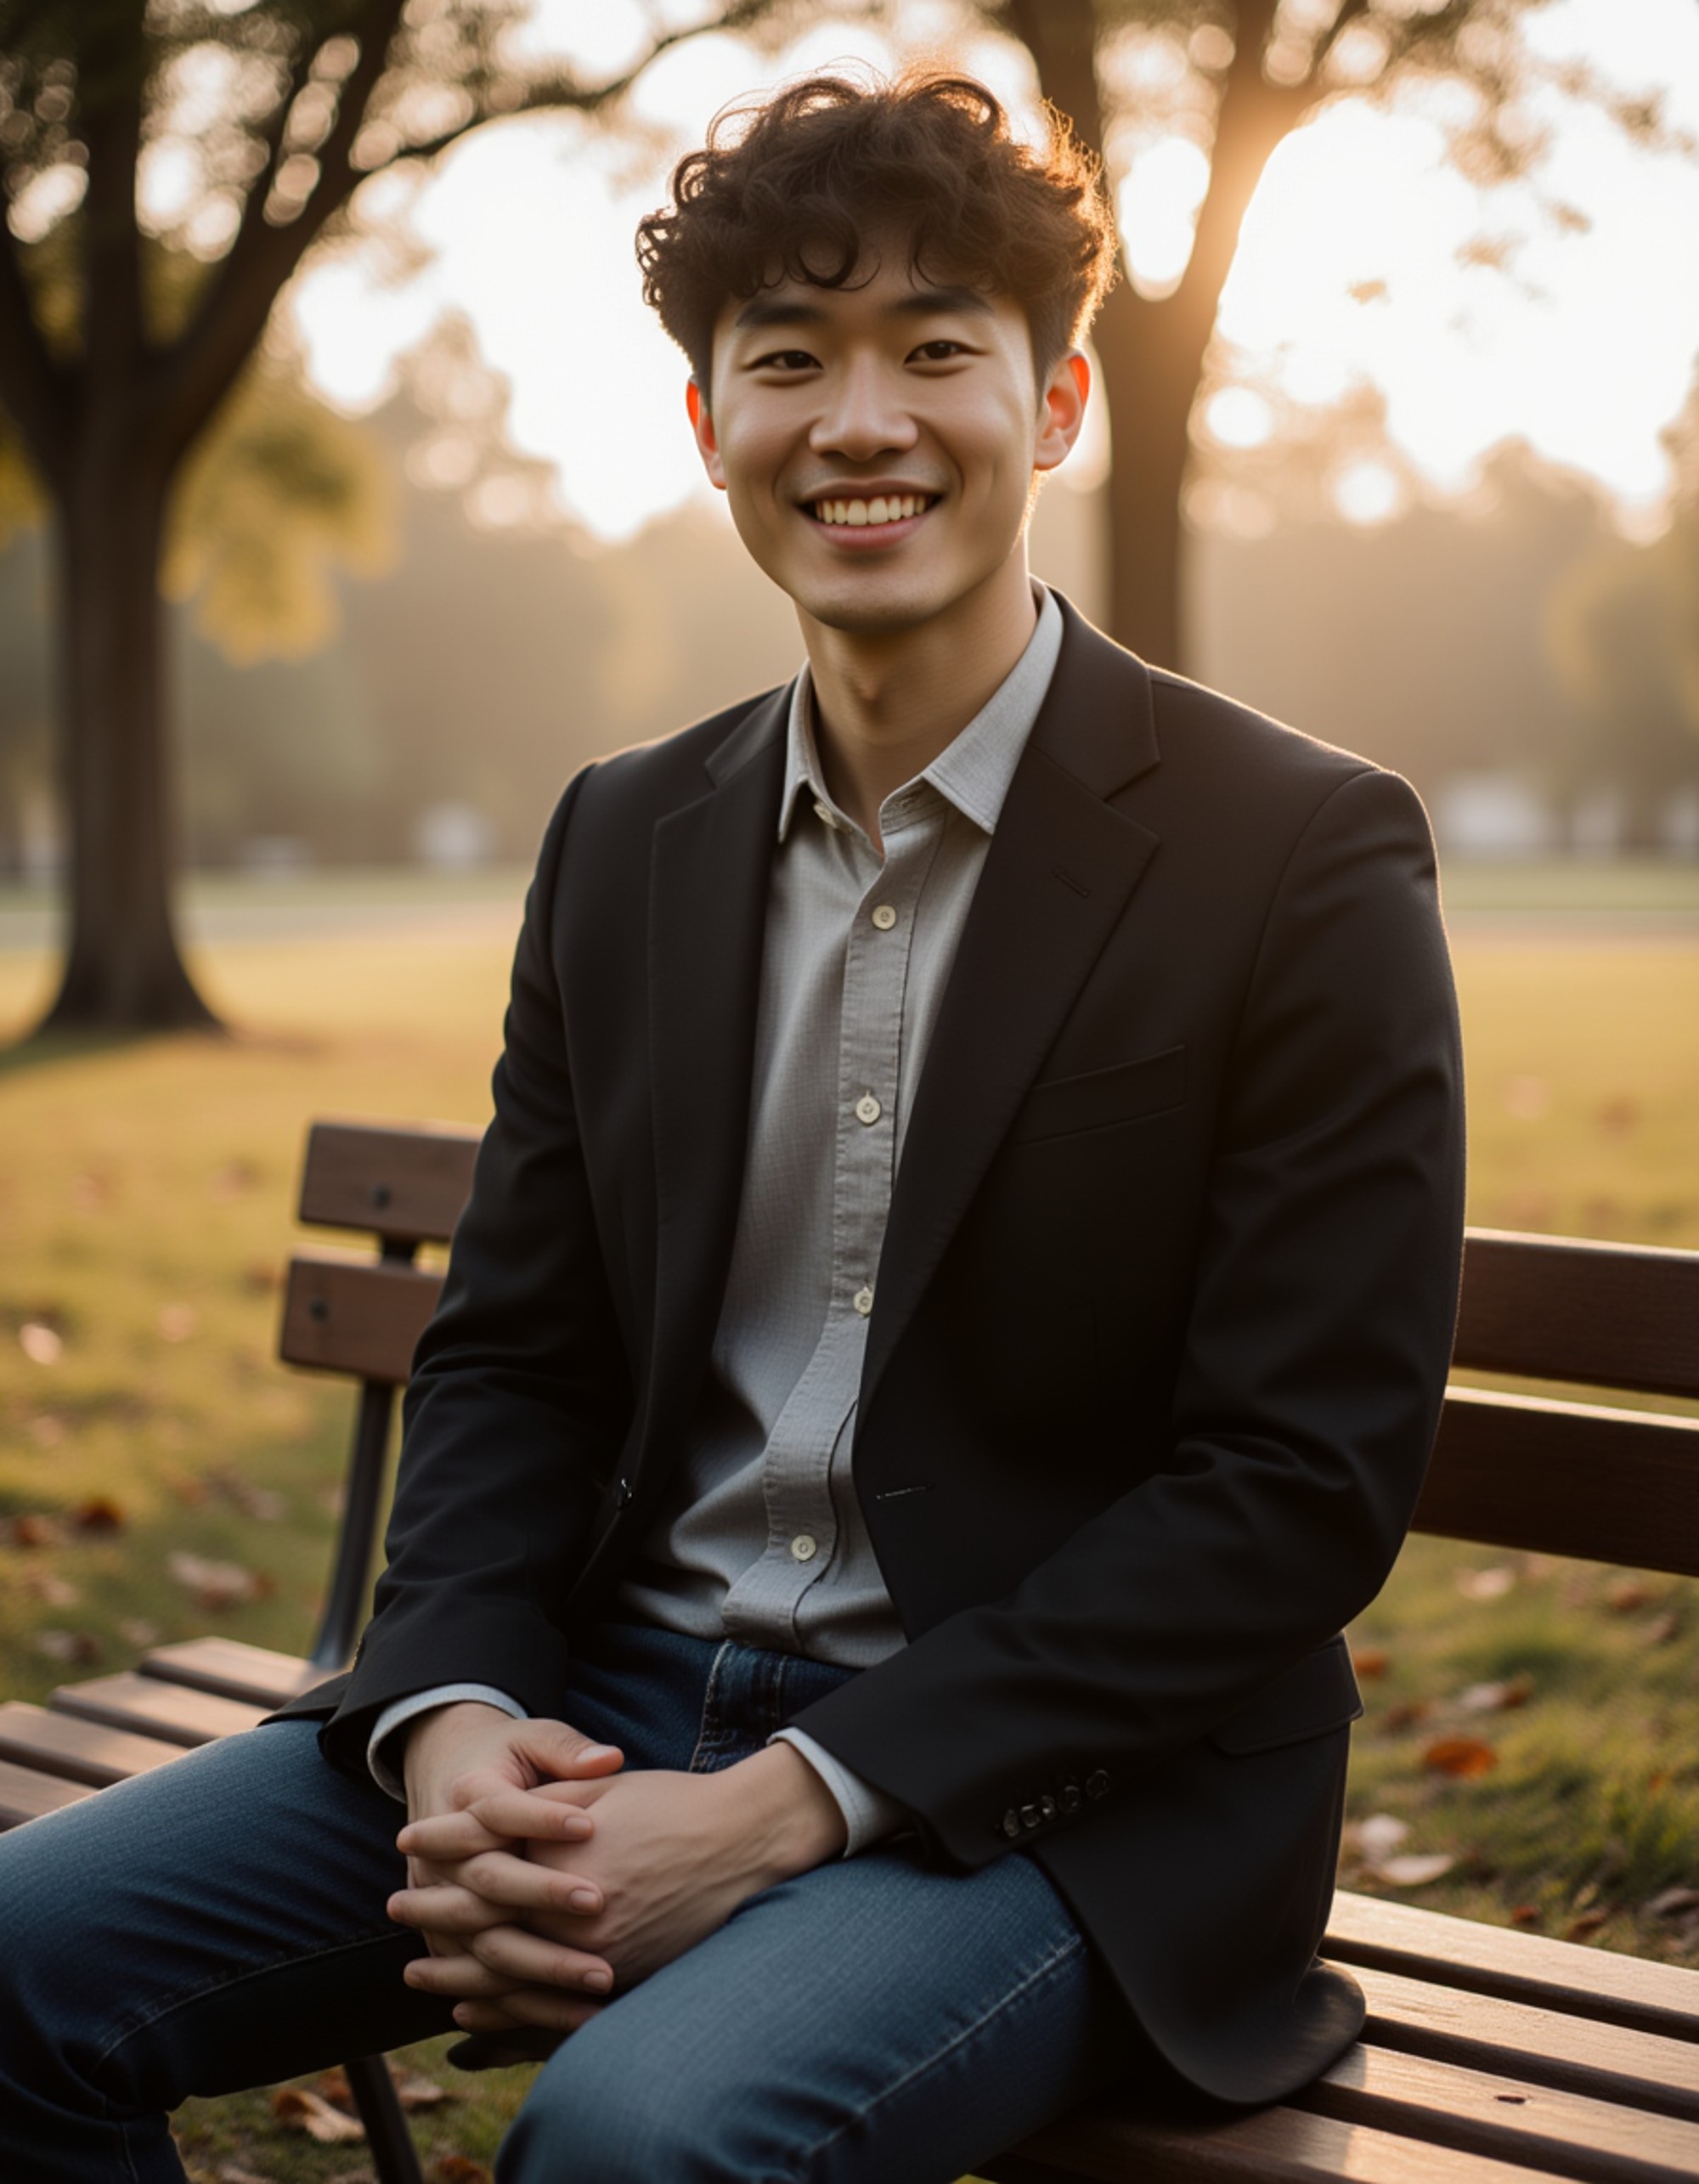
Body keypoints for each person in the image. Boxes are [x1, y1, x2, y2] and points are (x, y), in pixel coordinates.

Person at [0, 68, 1465, 2184]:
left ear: (1051, 407)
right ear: (711, 431)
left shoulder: (1297, 851)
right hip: (598, 1684)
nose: (858, 421)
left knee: (631, 2140)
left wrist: (782, 1808)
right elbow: (517, 1350)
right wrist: (453, 1726)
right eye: (787, 360)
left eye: (934, 350)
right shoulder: (623, 837)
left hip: (1066, 1788)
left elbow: (1294, 1482)